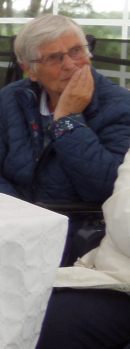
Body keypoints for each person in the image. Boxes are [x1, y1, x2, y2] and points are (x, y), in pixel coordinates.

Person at [0, 14, 130, 202]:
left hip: (78, 226)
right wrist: (19, 212)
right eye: (53, 57)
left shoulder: (120, 105)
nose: (70, 64)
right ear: (30, 70)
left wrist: (68, 120)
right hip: (11, 217)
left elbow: (112, 190)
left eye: (76, 50)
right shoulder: (13, 97)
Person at [36, 148, 130, 349]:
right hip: (112, 275)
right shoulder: (15, 114)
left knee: (53, 327)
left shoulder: (111, 117)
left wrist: (67, 124)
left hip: (62, 221)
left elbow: (98, 181)